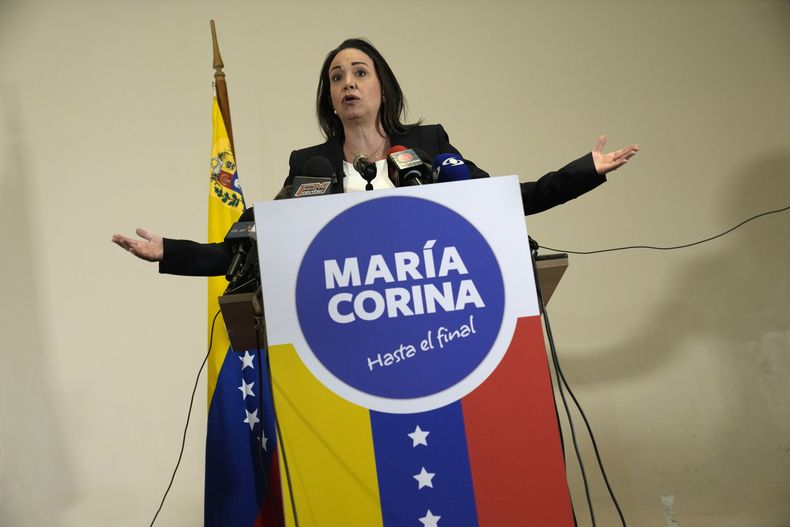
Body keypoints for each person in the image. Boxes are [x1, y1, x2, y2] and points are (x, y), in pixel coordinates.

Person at [112, 38, 638, 276]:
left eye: (360, 72)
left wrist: (583, 172)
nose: (348, 82)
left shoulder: (429, 145)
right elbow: (251, 249)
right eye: (337, 77)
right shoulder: (311, 166)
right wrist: (174, 252)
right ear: (329, 98)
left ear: (382, 86)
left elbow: (500, 202)